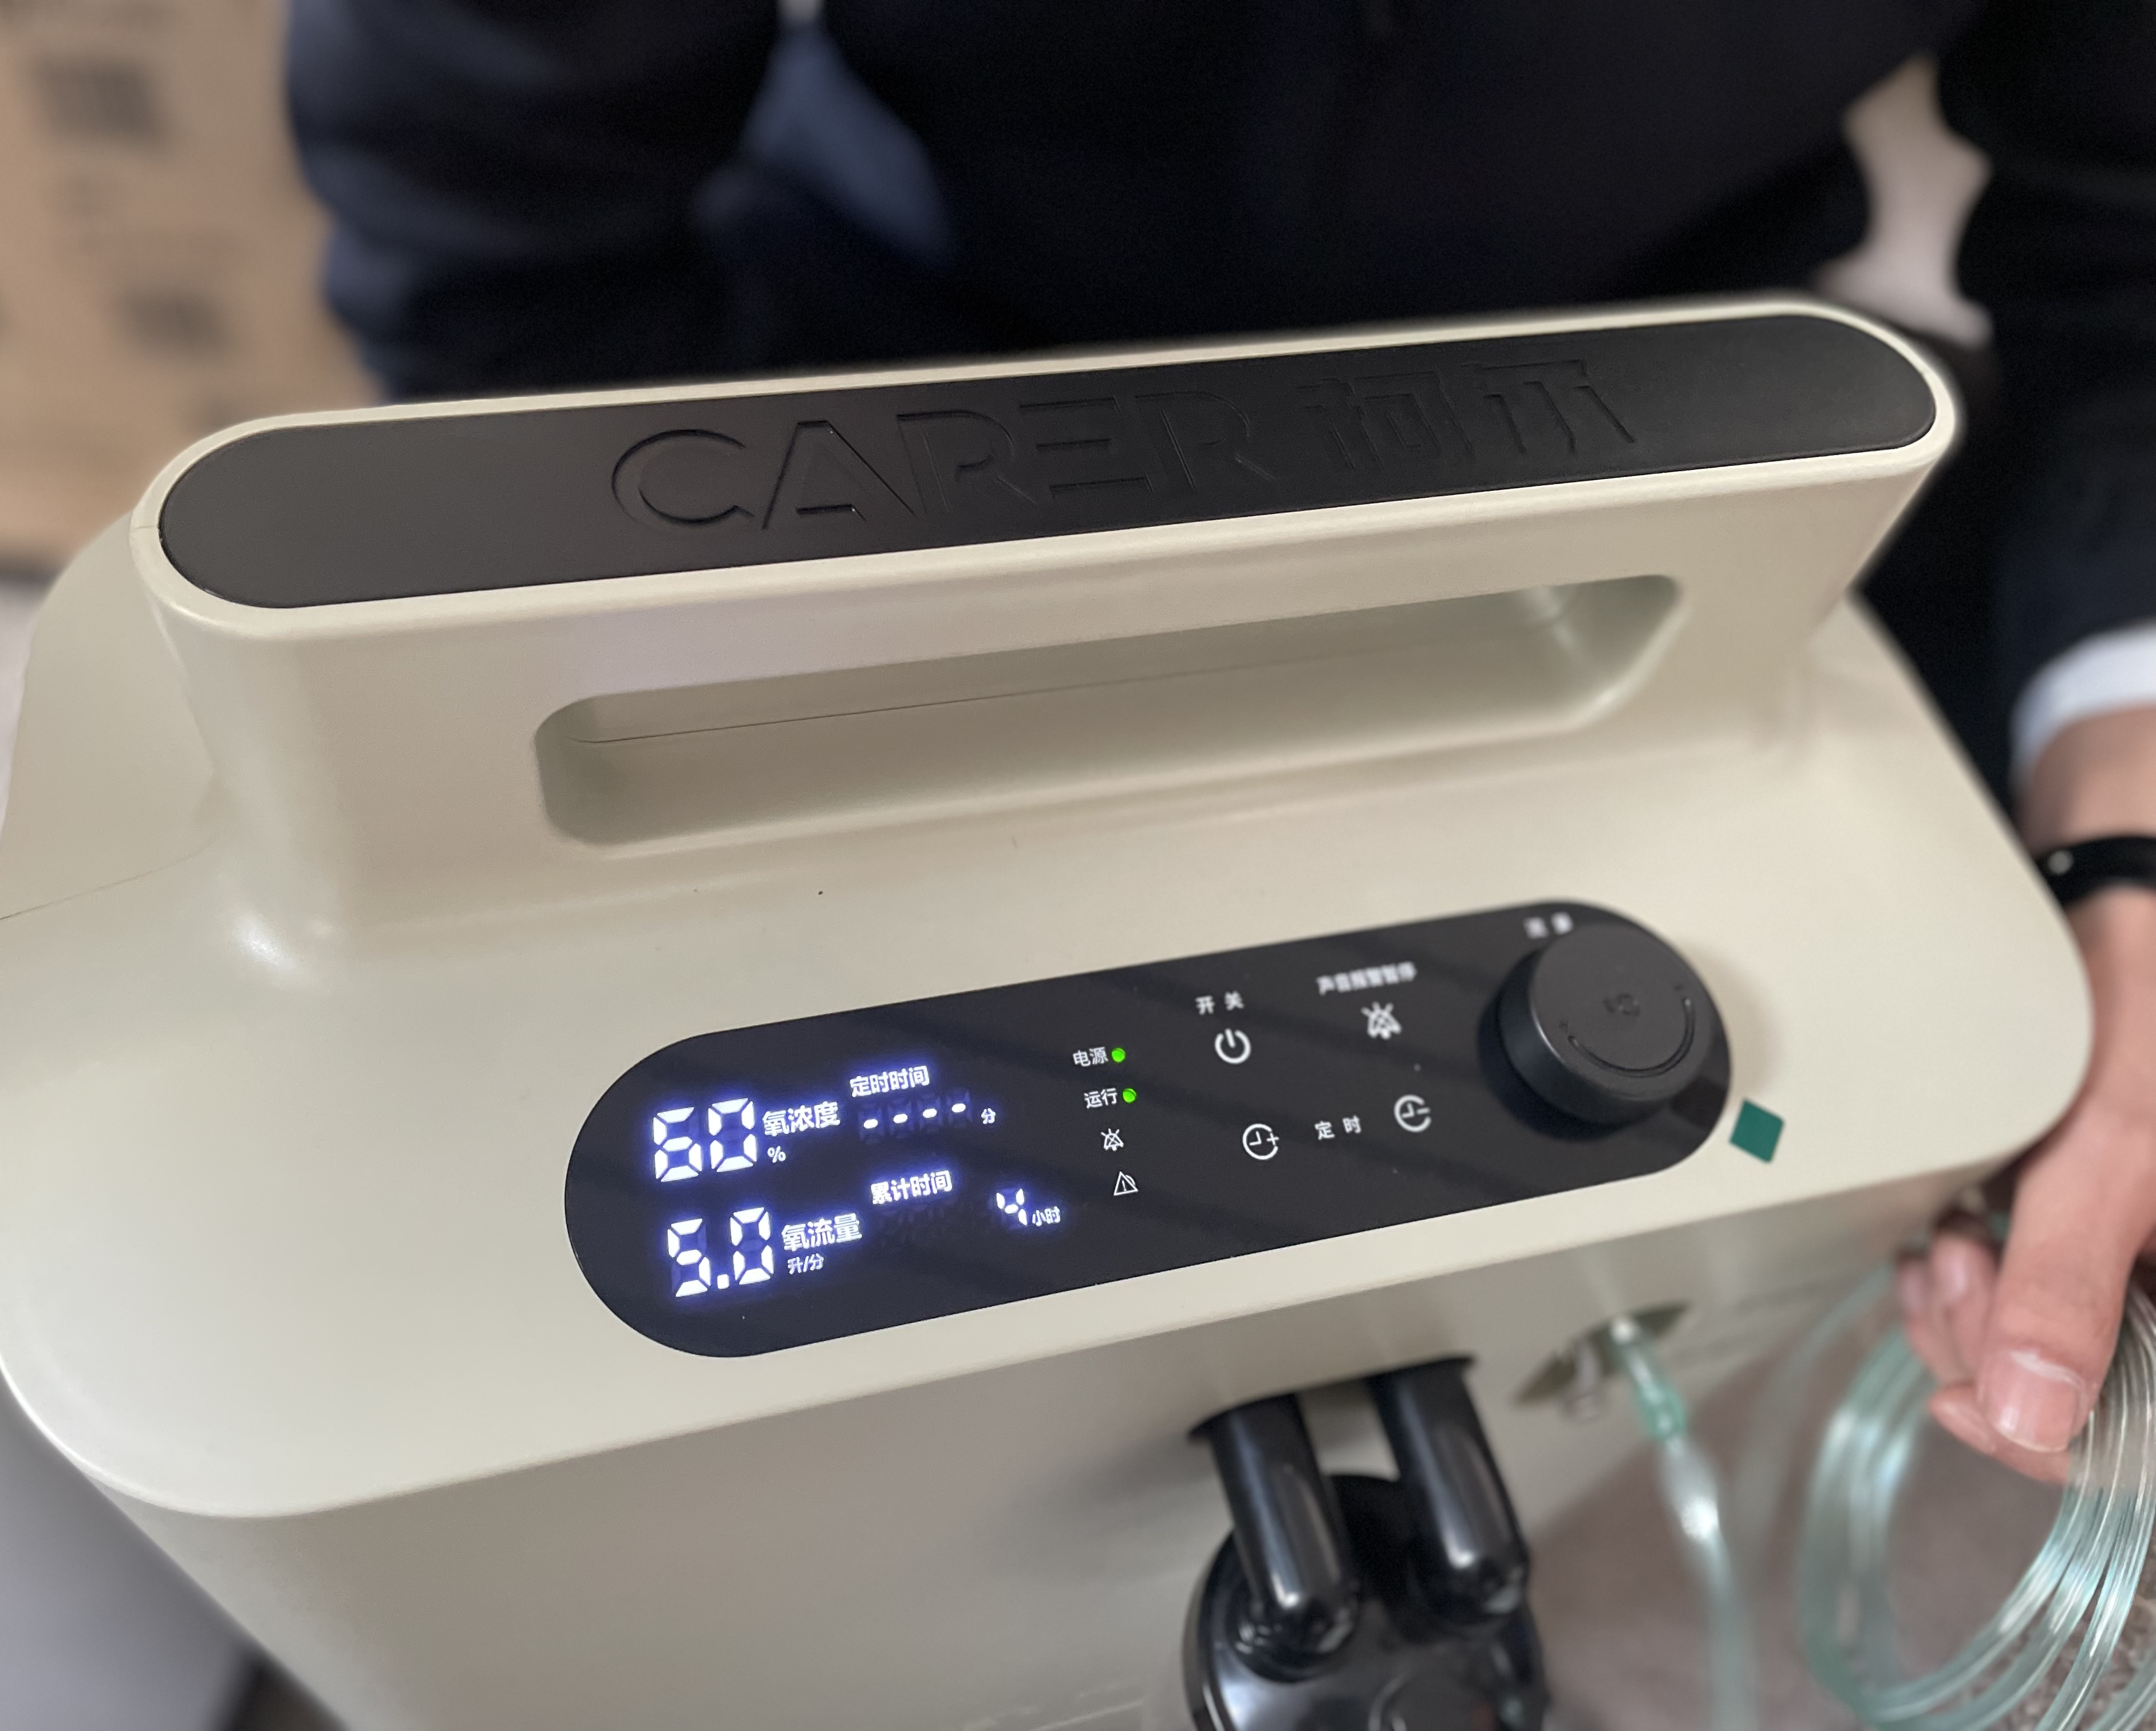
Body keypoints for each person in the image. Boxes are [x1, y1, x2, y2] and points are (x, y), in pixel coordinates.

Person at [286, 0, 2156, 1476]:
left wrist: (2129, 829)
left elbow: (2130, 244)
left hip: (1656, 395)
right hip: (891, 369)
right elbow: (490, 229)